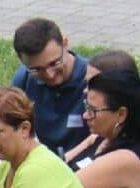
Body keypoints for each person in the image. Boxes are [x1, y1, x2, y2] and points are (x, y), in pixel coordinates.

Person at [9, 18, 89, 156]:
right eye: (37, 69)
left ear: (65, 44)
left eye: (54, 63)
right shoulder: (23, 80)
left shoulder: (93, 79)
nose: (50, 75)